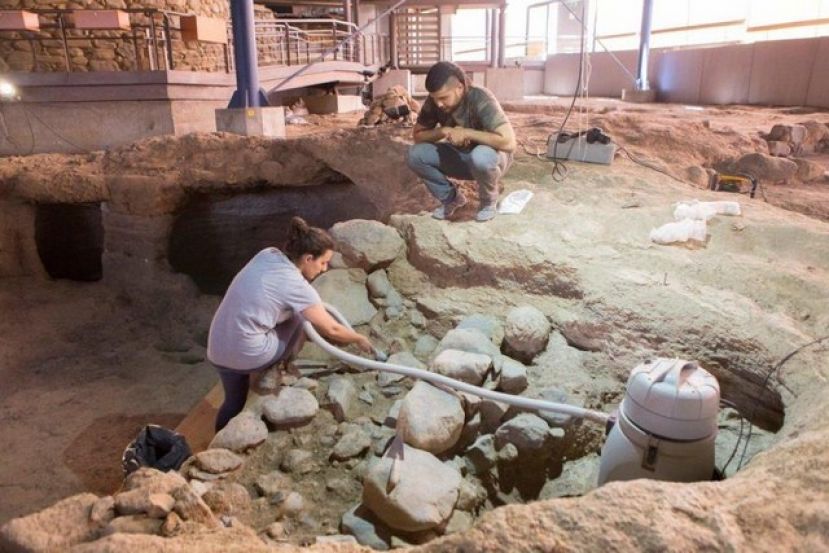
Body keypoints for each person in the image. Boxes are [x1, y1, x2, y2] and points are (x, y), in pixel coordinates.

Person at [207, 216, 374, 432]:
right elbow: (331, 328)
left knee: (233, 401)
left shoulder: (268, 254)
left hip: (217, 348)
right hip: (249, 353)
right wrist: (358, 338)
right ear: (307, 258)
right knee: (300, 316)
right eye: (322, 262)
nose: (324, 269)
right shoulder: (297, 287)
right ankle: (283, 365)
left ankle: (218, 440)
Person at [407, 61, 517, 222]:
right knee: (415, 155)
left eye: (444, 97)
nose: (438, 103)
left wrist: (467, 133)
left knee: (480, 155)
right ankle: (451, 200)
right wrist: (444, 131)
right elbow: (418, 136)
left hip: (492, 160)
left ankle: (488, 202)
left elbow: (509, 143)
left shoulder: (480, 97)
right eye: (435, 98)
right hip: (463, 158)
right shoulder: (436, 101)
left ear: (459, 87)